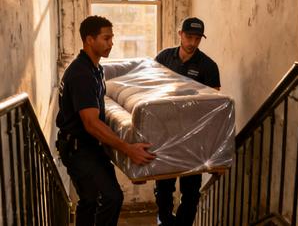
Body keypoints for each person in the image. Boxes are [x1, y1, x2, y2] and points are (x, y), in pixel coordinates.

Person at [56, 15, 156, 226]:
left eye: (112, 38)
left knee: (91, 201)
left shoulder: (96, 69)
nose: (111, 43)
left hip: (88, 145)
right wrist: (129, 149)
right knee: (110, 197)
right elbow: (91, 124)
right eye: (106, 38)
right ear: (89, 40)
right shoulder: (82, 74)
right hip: (78, 148)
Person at [153, 17, 221, 225]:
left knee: (191, 191)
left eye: (197, 38)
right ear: (180, 34)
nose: (192, 42)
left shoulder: (208, 66)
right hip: (165, 134)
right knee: (163, 188)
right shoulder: (164, 58)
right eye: (189, 37)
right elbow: (151, 90)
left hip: (194, 137)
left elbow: (213, 105)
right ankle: (165, 221)